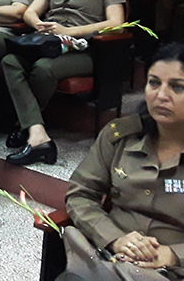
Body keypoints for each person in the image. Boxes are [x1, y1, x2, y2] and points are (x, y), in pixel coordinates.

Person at [1, 0, 126, 166]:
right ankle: (38, 134)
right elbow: (30, 12)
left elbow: (116, 23)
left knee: (44, 69)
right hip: (48, 42)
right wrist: (38, 23)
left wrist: (69, 31)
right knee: (9, 61)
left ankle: (23, 125)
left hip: (82, 49)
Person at [59, 43, 184, 280]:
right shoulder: (121, 137)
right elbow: (81, 194)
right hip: (109, 256)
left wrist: (174, 254)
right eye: (154, 83)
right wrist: (114, 238)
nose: (161, 95)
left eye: (177, 87)